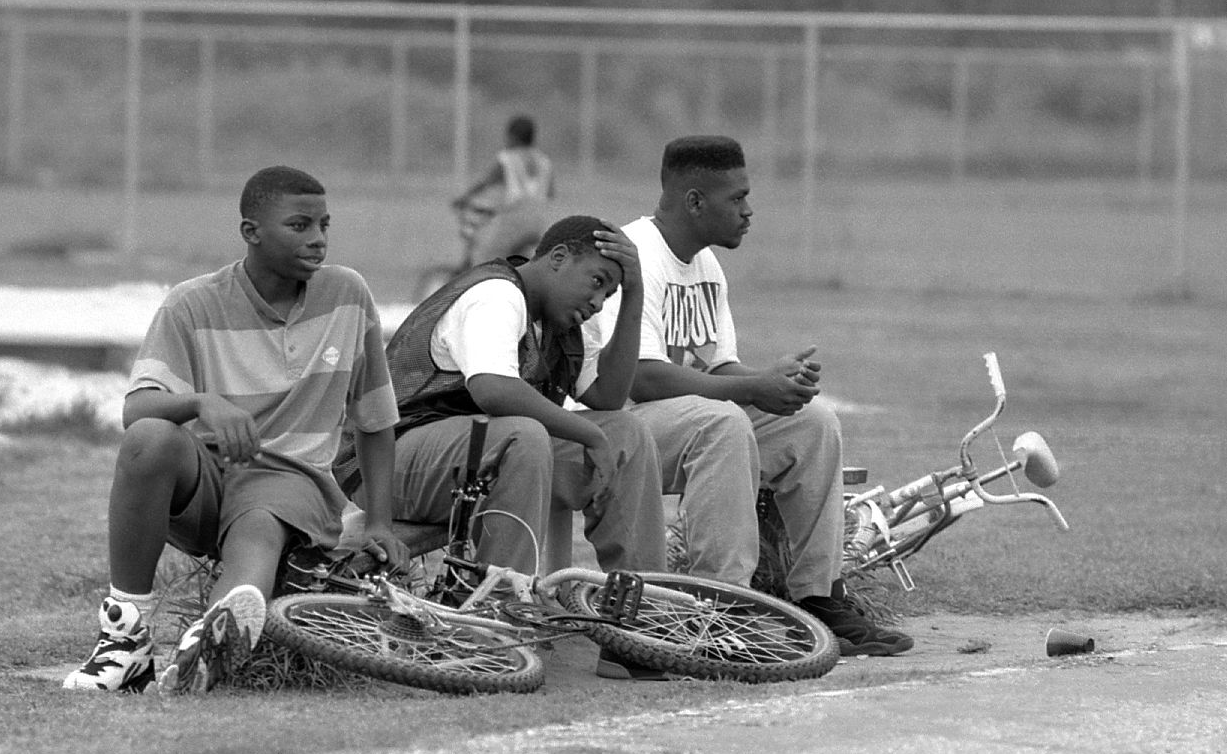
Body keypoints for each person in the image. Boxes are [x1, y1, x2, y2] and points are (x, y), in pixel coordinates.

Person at [64, 165, 409, 694]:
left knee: (261, 521)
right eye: (299, 225)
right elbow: (137, 410)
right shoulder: (192, 302)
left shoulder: (347, 294)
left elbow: (375, 419)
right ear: (251, 232)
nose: (317, 240)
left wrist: (381, 522)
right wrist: (204, 402)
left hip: (293, 483)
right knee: (149, 439)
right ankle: (125, 640)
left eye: (324, 225)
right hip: (208, 478)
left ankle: (216, 634)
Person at [577, 135, 913, 657]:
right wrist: (750, 388)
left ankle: (819, 597)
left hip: (680, 423)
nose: (748, 211)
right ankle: (719, 610)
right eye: (736, 198)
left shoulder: (707, 266)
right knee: (722, 423)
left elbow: (718, 367)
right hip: (614, 429)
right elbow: (643, 380)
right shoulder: (636, 254)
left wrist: (773, 382)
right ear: (694, 201)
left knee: (813, 424)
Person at [336, 214, 669, 679]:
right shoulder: (497, 293)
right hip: (389, 464)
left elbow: (611, 397)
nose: (596, 302)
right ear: (557, 258)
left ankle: (634, 626)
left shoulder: (561, 322)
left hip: (473, 458)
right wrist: (586, 433)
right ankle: (496, 623)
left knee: (625, 434)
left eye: (608, 293)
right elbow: (493, 388)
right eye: (596, 282)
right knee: (523, 433)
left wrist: (634, 294)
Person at [452, 114, 555, 263]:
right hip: (538, 223)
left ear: (513, 137)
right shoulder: (544, 161)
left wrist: (464, 198)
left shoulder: (507, 158)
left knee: (487, 261)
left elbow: (486, 183)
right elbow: (549, 193)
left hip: (514, 221)